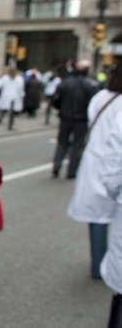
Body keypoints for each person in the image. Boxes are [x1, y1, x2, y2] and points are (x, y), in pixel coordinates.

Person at [67, 32, 122, 327]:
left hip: (96, 164)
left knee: (98, 219)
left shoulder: (101, 97)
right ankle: (103, 266)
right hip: (110, 168)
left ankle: (98, 264)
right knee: (109, 219)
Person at [51, 59, 100, 179]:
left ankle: (57, 166)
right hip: (81, 119)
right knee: (76, 145)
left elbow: (56, 100)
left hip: (67, 118)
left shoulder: (65, 83)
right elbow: (94, 104)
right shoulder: (91, 84)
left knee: (62, 143)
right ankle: (71, 170)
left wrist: (61, 109)